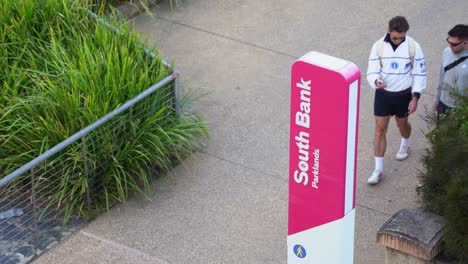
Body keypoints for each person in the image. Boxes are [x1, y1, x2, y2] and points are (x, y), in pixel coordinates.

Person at [366, 16, 427, 185]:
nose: (398, 41)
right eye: (395, 37)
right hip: (383, 95)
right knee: (380, 129)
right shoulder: (378, 46)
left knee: (402, 125)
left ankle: (406, 142)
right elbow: (371, 71)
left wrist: (415, 97)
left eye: (401, 37)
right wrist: (376, 81)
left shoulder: (414, 47)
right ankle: (378, 170)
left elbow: (420, 73)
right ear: (389, 31)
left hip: (403, 95)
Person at [434, 24, 468, 122]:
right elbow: (442, 76)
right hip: (444, 104)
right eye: (449, 41)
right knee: (441, 135)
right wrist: (438, 98)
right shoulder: (447, 52)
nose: (449, 46)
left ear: (465, 43)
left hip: (462, 110)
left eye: (453, 44)